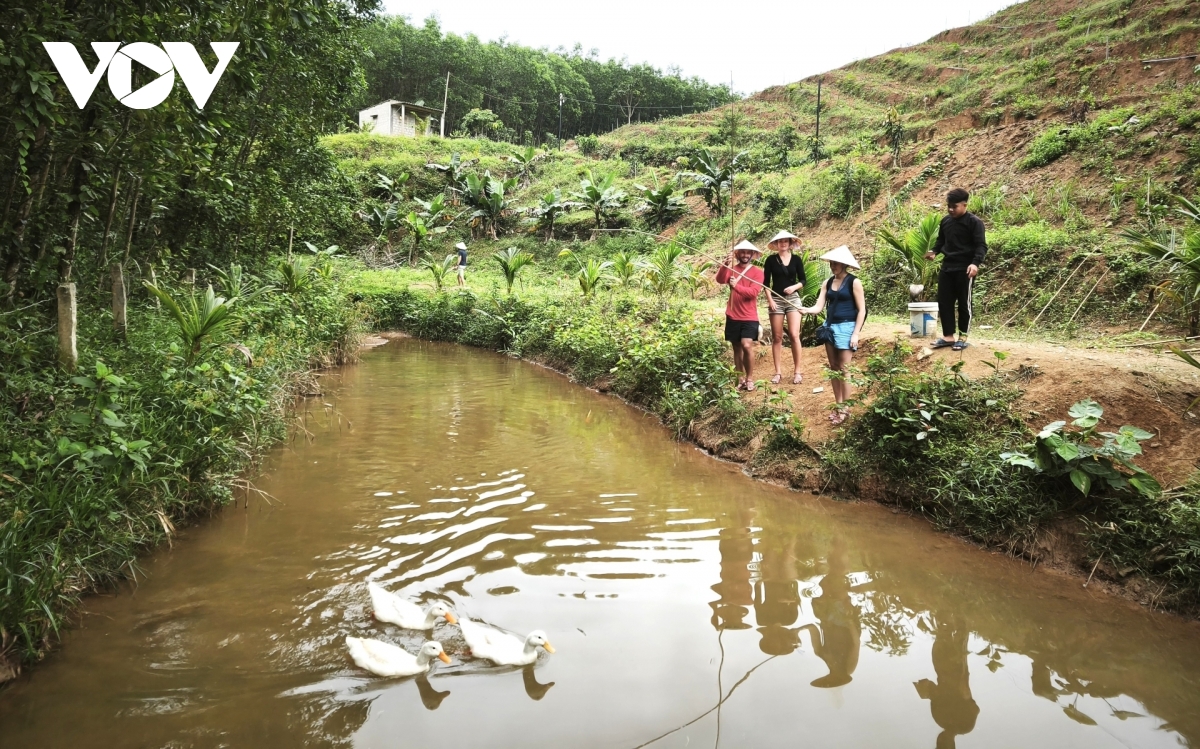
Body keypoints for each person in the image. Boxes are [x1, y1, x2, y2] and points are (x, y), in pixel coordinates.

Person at [801, 246, 866, 425]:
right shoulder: (827, 282)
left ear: (844, 264)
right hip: (829, 327)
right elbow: (818, 307)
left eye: (836, 263)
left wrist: (856, 333)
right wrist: (806, 310)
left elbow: (862, 310)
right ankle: (838, 405)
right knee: (834, 367)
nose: (832, 265)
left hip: (847, 327)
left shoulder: (854, 282)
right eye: (831, 262)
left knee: (845, 368)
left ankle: (845, 409)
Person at [925, 188, 987, 351]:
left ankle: (963, 337)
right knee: (944, 302)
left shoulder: (974, 222)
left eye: (954, 206)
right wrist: (933, 251)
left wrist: (975, 263)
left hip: (965, 268)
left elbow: (981, 245)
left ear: (964, 205)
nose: (951, 209)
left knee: (964, 303)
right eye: (949, 206)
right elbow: (941, 241)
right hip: (947, 267)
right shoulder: (946, 221)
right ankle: (948, 336)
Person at [715, 240, 765, 392]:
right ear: (737, 254)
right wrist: (725, 265)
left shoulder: (758, 272)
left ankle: (750, 378)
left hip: (749, 316)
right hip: (732, 314)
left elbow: (753, 293)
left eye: (748, 252)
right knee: (736, 347)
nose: (745, 255)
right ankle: (740, 379)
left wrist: (736, 286)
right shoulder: (732, 269)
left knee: (747, 345)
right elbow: (720, 280)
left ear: (752, 254)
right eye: (742, 252)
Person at [763, 230, 807, 385]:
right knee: (777, 337)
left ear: (790, 243)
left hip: (793, 299)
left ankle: (797, 372)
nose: (783, 243)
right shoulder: (770, 260)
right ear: (776, 244)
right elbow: (765, 283)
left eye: (785, 241)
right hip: (776, 299)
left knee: (794, 335)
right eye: (780, 241)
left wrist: (794, 287)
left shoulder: (796, 259)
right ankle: (777, 372)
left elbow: (803, 280)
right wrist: (770, 300)